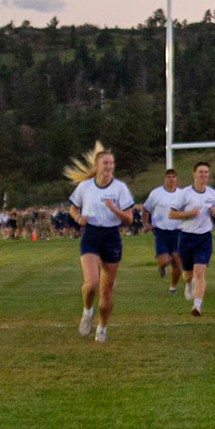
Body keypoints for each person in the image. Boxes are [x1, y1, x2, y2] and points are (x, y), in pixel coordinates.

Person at [66, 144, 136, 342]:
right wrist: (78, 218)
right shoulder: (85, 187)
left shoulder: (120, 188)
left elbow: (129, 218)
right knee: (91, 283)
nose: (109, 166)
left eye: (112, 163)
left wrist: (114, 208)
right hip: (91, 235)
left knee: (106, 290)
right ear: (97, 166)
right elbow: (73, 208)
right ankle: (87, 311)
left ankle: (102, 327)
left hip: (111, 237)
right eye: (105, 163)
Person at [168, 161, 215, 317]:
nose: (204, 175)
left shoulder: (212, 194)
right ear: (194, 174)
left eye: (206, 172)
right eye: (200, 172)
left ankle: (197, 306)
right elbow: (171, 214)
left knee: (200, 272)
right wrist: (189, 213)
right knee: (188, 274)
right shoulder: (185, 193)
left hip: (204, 237)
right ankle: (189, 284)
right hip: (186, 236)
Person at [142, 170, 185, 292]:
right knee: (164, 260)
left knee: (177, 261)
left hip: (177, 231)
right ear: (164, 178)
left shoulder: (182, 194)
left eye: (173, 177)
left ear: (176, 179)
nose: (171, 179)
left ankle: (173, 287)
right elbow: (146, 209)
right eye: (168, 177)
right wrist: (146, 224)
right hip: (161, 231)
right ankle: (162, 265)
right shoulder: (156, 193)